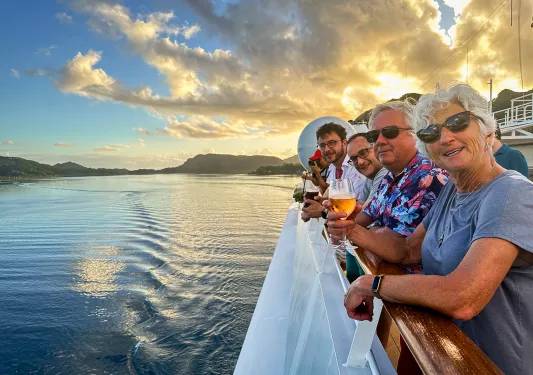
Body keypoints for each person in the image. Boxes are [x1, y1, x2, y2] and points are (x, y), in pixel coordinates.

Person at [332, 84, 533, 375]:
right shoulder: (453, 189)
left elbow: (463, 298)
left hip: (495, 364)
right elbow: (409, 250)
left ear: (487, 132)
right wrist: (349, 229)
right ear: (428, 150)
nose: (445, 136)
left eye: (458, 123)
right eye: (431, 133)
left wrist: (371, 284)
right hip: (446, 352)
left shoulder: (511, 193)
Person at [326, 99, 448, 374]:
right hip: (393, 297)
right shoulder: (391, 179)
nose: (379, 141)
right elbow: (365, 216)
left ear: (415, 133)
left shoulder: (428, 178)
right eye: (373, 135)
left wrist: (352, 229)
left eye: (389, 132)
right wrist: (340, 218)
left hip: (426, 313)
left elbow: (402, 249)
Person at [344, 133, 387, 283]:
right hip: (373, 247)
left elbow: (363, 214)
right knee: (352, 249)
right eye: (354, 159)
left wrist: (327, 214)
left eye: (363, 153)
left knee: (354, 248)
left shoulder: (384, 174)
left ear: (376, 146)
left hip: (389, 257)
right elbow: (359, 207)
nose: (360, 162)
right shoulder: (371, 178)